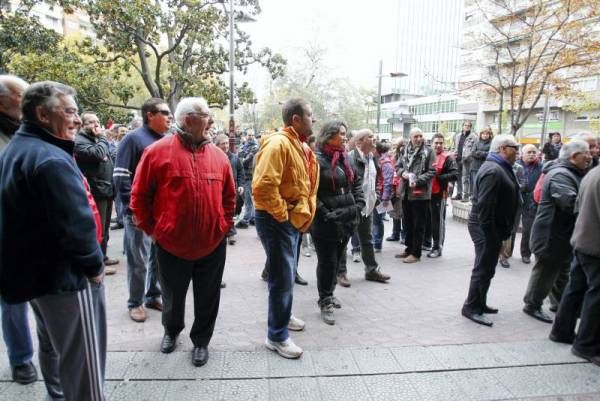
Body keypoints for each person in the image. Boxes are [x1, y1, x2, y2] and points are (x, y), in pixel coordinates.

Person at [0, 81, 106, 400]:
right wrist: (94, 267)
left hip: (40, 279)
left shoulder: (20, 148)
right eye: (70, 111)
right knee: (83, 363)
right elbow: (76, 226)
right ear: (43, 115)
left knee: (55, 349)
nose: (76, 119)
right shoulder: (50, 159)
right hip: (66, 281)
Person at [130, 97, 235, 367]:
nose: (211, 120)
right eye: (206, 115)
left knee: (208, 296)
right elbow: (139, 198)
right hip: (171, 244)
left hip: (212, 244)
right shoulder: (156, 152)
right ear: (188, 119)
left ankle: (201, 341)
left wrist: (222, 226)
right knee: (172, 295)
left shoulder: (219, 156)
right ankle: (171, 331)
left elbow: (229, 198)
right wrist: (155, 231)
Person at [252, 98, 319, 359]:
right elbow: (264, 186)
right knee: (282, 276)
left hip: (287, 220)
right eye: (310, 115)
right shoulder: (280, 143)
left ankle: (283, 314)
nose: (314, 120)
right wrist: (283, 216)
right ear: (296, 120)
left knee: (285, 273)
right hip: (277, 219)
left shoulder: (296, 145)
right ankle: (276, 336)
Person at [522, 140, 591, 323]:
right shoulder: (560, 175)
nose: (590, 156)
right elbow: (571, 203)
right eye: (586, 153)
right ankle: (532, 304)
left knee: (560, 272)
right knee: (545, 271)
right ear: (574, 156)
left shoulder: (573, 173)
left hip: (561, 235)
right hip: (550, 235)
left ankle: (561, 304)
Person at [114, 98, 168, 322]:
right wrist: (132, 209)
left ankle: (152, 295)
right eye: (165, 113)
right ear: (150, 115)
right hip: (139, 214)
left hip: (161, 214)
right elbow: (120, 177)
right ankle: (134, 302)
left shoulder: (167, 140)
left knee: (157, 258)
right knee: (139, 260)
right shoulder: (133, 139)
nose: (170, 117)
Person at [0, 74, 38, 385]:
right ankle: (21, 357)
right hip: (6, 231)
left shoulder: (30, 132)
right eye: (20, 96)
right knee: (12, 299)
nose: (27, 102)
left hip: (36, 227)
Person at [461, 134, 521, 327]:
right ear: (503, 148)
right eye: (515, 147)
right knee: (483, 267)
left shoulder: (499, 167)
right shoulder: (493, 170)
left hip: (492, 228)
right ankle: (471, 307)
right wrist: (490, 234)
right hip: (485, 228)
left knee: (488, 268)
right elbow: (485, 207)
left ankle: (480, 302)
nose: (517, 151)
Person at [312, 121, 364, 325]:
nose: (345, 137)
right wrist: (326, 213)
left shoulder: (345, 158)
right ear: (328, 135)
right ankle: (325, 300)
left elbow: (356, 184)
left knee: (337, 260)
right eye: (341, 134)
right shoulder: (315, 160)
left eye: (345, 133)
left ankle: (329, 293)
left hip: (347, 220)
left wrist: (357, 206)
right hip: (326, 222)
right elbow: (309, 192)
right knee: (328, 262)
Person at [550, 164, 600, 366]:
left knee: (575, 288)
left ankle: (561, 331)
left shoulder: (593, 173)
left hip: (582, 240)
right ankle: (586, 345)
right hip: (595, 246)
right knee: (596, 294)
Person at [339, 129, 391, 284]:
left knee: (367, 240)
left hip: (367, 206)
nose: (374, 139)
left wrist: (376, 197)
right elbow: (347, 184)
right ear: (360, 141)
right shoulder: (349, 158)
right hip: (353, 206)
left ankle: (371, 270)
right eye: (370, 137)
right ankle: (340, 273)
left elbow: (373, 180)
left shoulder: (372, 157)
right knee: (344, 240)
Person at [74, 111, 119, 272]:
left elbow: (107, 158)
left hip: (106, 189)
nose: (96, 125)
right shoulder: (79, 141)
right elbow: (99, 155)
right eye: (91, 122)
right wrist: (102, 138)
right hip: (96, 191)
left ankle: (103, 257)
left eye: (98, 122)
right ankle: (98, 263)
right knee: (97, 228)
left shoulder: (95, 140)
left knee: (105, 228)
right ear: (82, 125)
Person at [395, 127, 436, 263]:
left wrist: (417, 180)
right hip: (406, 193)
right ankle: (408, 248)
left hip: (421, 194)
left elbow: (432, 171)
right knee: (407, 223)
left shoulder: (429, 152)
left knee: (419, 224)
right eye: (415, 137)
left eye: (420, 136)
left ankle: (416, 253)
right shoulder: (404, 150)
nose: (418, 139)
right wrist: (404, 174)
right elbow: (398, 167)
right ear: (410, 138)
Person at [426, 133, 459, 258]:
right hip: (425, 194)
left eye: (441, 143)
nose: (438, 145)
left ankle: (437, 247)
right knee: (428, 220)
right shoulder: (427, 154)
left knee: (437, 221)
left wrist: (439, 178)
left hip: (439, 194)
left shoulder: (448, 158)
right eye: (436, 142)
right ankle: (427, 242)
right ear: (432, 143)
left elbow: (455, 174)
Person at [215, 133, 245, 246]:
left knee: (230, 211)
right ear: (217, 145)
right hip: (218, 189)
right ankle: (229, 233)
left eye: (227, 143)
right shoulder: (214, 157)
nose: (226, 146)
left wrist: (241, 185)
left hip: (232, 190)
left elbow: (241, 173)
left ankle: (229, 231)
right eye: (223, 144)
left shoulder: (235, 158)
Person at [516, 144, 542, 264]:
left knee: (528, 229)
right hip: (516, 199)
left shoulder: (541, 167)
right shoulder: (515, 165)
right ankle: (505, 253)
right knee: (510, 228)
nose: (532, 154)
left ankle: (526, 253)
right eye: (529, 152)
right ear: (522, 154)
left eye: (534, 152)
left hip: (531, 202)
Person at [372, 141, 394, 253]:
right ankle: (376, 242)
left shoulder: (385, 163)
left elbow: (388, 181)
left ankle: (377, 243)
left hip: (381, 196)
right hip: (379, 195)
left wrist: (385, 198)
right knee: (376, 220)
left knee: (377, 220)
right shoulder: (381, 161)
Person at [236, 130, 259, 228]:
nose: (251, 137)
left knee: (248, 198)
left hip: (250, 175)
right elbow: (239, 157)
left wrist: (242, 158)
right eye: (249, 135)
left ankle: (246, 219)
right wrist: (242, 158)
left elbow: (245, 160)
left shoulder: (255, 147)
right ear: (246, 135)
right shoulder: (243, 146)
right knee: (245, 197)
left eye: (253, 135)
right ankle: (253, 217)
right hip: (243, 175)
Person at [387, 137, 406, 243]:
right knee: (395, 212)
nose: (401, 148)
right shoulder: (394, 157)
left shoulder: (407, 157)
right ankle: (395, 233)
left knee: (402, 212)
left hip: (402, 188)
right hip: (393, 188)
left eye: (403, 146)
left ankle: (404, 235)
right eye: (399, 146)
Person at [452, 121, 477, 201]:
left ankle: (465, 196)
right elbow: (455, 147)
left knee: (465, 178)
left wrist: (467, 157)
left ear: (471, 127)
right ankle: (459, 193)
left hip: (467, 161)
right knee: (458, 177)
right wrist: (454, 154)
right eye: (465, 125)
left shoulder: (474, 137)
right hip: (457, 159)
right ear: (462, 126)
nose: (467, 127)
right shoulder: (458, 136)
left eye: (469, 125)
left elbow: (473, 150)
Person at [469, 127, 493, 201]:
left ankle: (481, 199)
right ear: (481, 135)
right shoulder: (477, 142)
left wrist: (479, 153)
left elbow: (490, 154)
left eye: (487, 134)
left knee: (483, 184)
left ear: (489, 135)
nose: (485, 135)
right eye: (483, 134)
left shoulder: (491, 143)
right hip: (475, 167)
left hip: (485, 167)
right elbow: (472, 153)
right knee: (474, 183)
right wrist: (483, 154)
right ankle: (474, 199)